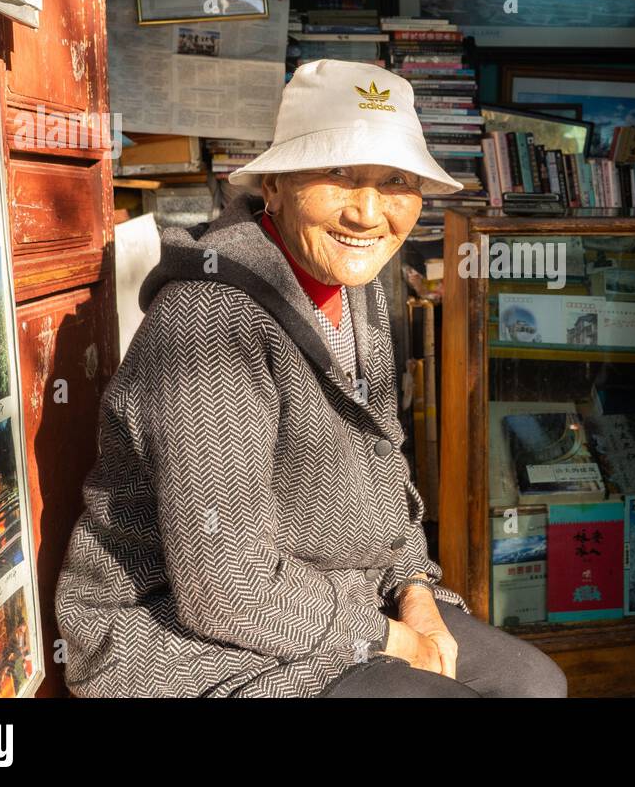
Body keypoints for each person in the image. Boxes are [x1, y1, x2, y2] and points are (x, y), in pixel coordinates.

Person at [55, 61, 567, 698]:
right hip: (181, 637)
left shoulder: (362, 291)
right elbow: (225, 586)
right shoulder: (209, 318)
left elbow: (385, 476)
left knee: (533, 684)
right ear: (273, 185)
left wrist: (417, 591)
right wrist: (391, 639)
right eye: (339, 174)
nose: (367, 212)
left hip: (337, 593)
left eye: (396, 182)